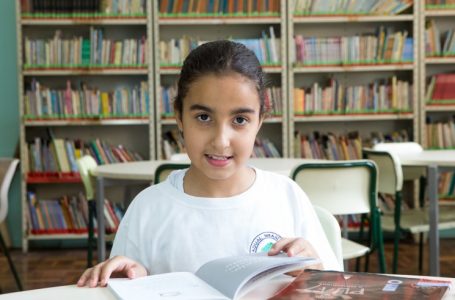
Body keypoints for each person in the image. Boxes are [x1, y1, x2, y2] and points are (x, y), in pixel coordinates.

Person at [77, 40, 341, 288]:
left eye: (239, 120)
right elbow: (128, 284)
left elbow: (332, 287)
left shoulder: (287, 196)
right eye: (203, 117)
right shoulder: (147, 209)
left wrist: (314, 271)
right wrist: (132, 277)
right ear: (179, 117)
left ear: (260, 121)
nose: (221, 141)